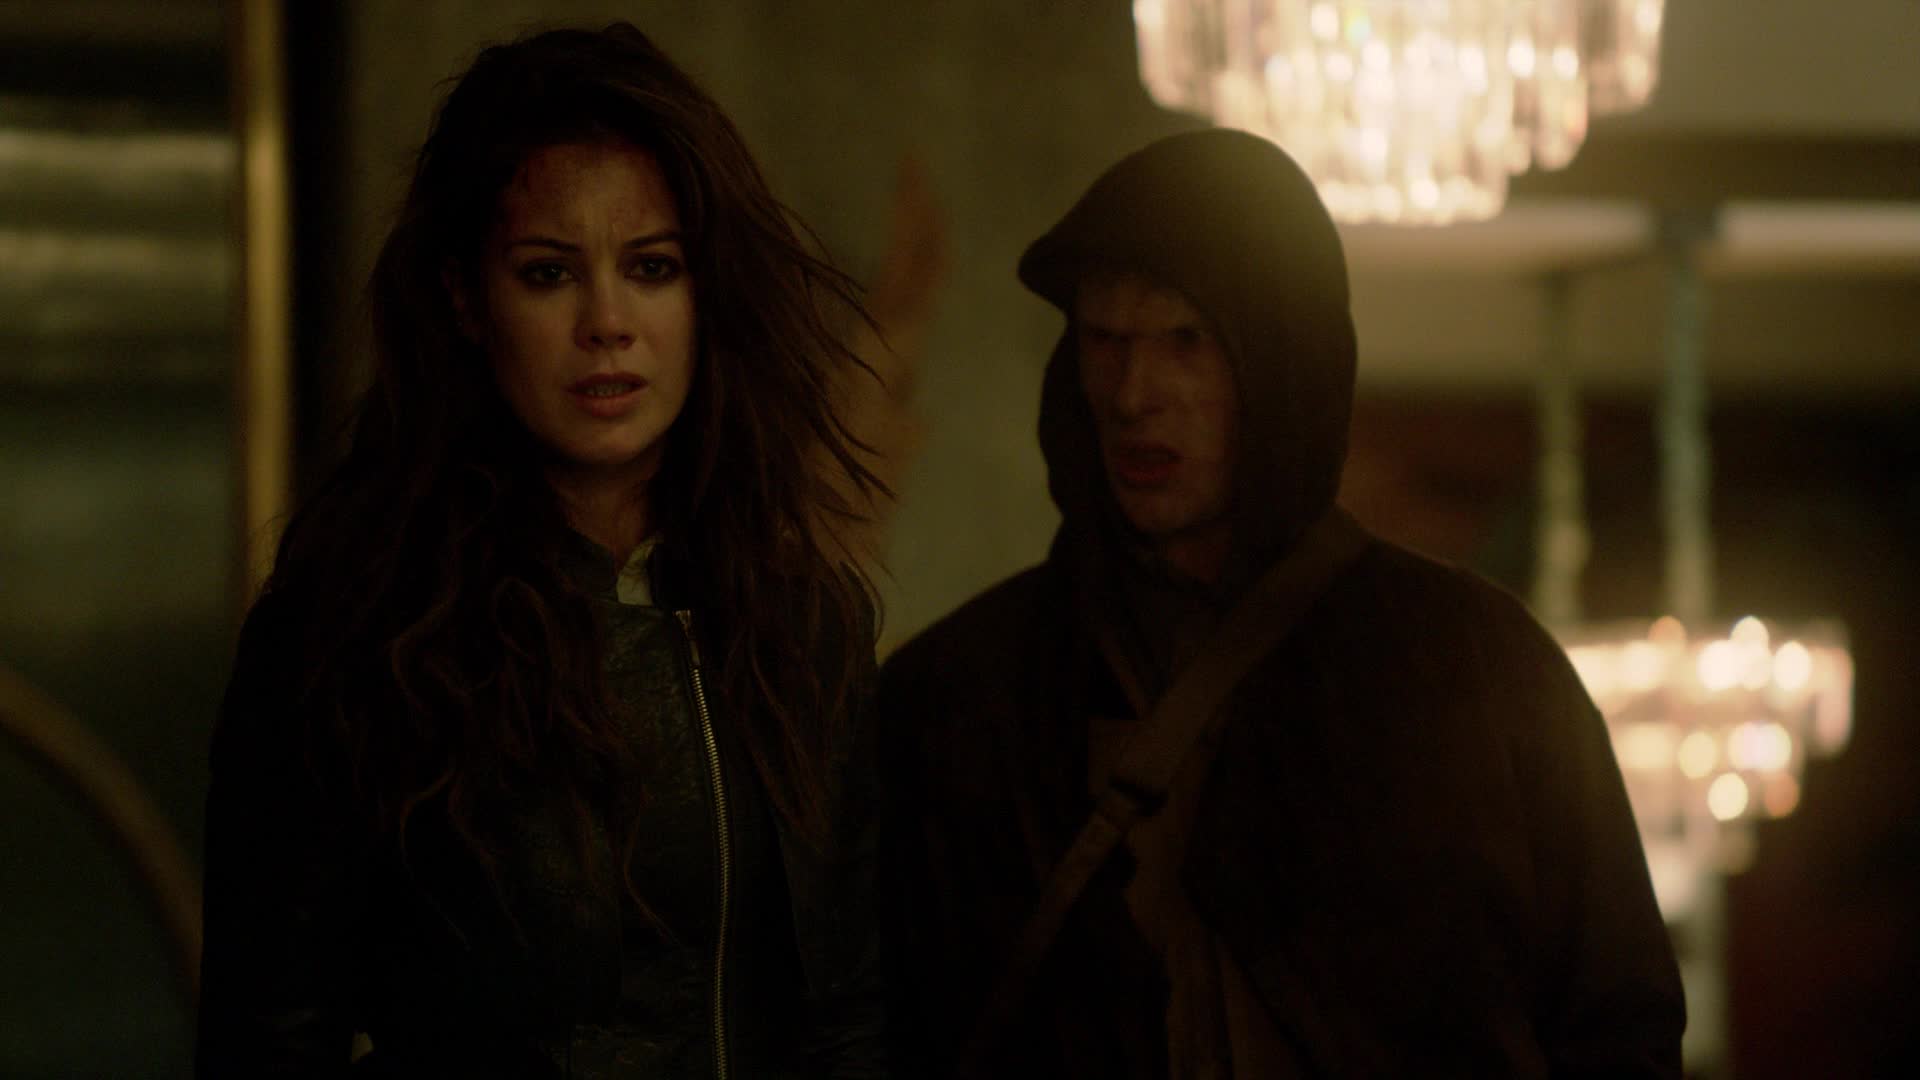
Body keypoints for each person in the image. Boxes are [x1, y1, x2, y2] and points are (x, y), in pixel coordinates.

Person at [878, 129, 1685, 1078]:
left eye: (1186, 342)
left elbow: (1617, 1023)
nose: (1134, 394)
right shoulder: (958, 697)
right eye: (1106, 340)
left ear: (1281, 364)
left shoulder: (1477, 669)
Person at [198, 24, 890, 1078]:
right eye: (549, 273)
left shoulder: (803, 621)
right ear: (468, 299)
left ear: (706, 294)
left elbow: (849, 1022)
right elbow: (267, 1041)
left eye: (651, 267)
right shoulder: (352, 630)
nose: (607, 322)